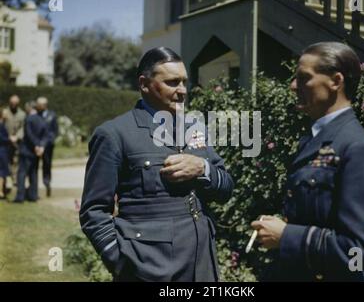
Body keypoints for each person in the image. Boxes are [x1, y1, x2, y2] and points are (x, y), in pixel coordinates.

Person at [79, 47, 234, 282]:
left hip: (201, 264)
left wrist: (203, 168)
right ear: (144, 84)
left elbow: (226, 188)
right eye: (172, 82)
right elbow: (93, 212)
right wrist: (122, 263)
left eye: (184, 82)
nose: (182, 91)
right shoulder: (114, 134)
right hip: (149, 267)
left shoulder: (195, 128)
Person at [251, 42, 364, 281]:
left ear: (336, 81)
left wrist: (287, 236)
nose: (293, 86)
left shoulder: (358, 149)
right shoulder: (314, 140)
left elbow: (362, 252)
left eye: (304, 78)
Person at [13, 101, 48, 203]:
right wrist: (41, 146)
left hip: (26, 150)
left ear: (29, 108)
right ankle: (33, 195)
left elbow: (28, 134)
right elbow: (45, 135)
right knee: (34, 173)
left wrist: (36, 145)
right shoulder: (42, 119)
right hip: (36, 152)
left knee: (22, 173)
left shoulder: (28, 119)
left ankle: (20, 196)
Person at [36, 97, 58, 197]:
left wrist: (46, 144)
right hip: (36, 145)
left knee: (47, 164)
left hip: (48, 146)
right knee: (34, 165)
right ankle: (34, 188)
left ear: (44, 105)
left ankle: (47, 183)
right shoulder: (35, 115)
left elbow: (54, 131)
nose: (37, 107)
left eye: (39, 105)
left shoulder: (52, 115)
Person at [3, 95, 25, 183]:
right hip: (5, 140)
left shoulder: (22, 114)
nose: (13, 105)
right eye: (12, 103)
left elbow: (23, 127)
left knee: (16, 160)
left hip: (16, 141)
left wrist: (17, 136)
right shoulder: (5, 112)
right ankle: (6, 179)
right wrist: (7, 137)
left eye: (15, 103)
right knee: (5, 160)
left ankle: (15, 179)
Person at [0, 107, 10, 199]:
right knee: (2, 171)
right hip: (1, 150)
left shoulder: (3, 124)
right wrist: (10, 139)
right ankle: (1, 192)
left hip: (3, 149)